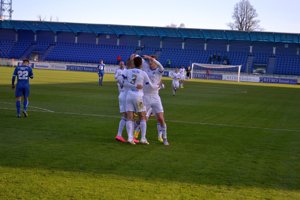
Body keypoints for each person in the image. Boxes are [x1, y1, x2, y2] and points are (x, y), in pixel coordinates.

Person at [123, 56, 157, 145]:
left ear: (133, 63)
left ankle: (130, 138)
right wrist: (159, 86)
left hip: (129, 96)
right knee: (143, 117)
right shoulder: (143, 73)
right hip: (138, 97)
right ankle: (143, 138)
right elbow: (150, 85)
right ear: (141, 64)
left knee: (130, 117)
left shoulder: (129, 71)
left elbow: (125, 83)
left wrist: (134, 86)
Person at [142, 55, 169, 145]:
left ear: (155, 62)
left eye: (152, 61)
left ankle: (164, 138)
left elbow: (162, 67)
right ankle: (142, 137)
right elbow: (138, 58)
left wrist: (151, 58)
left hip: (155, 97)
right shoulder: (145, 67)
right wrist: (137, 56)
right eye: (149, 61)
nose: (150, 62)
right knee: (143, 118)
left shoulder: (159, 71)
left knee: (161, 118)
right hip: (145, 96)